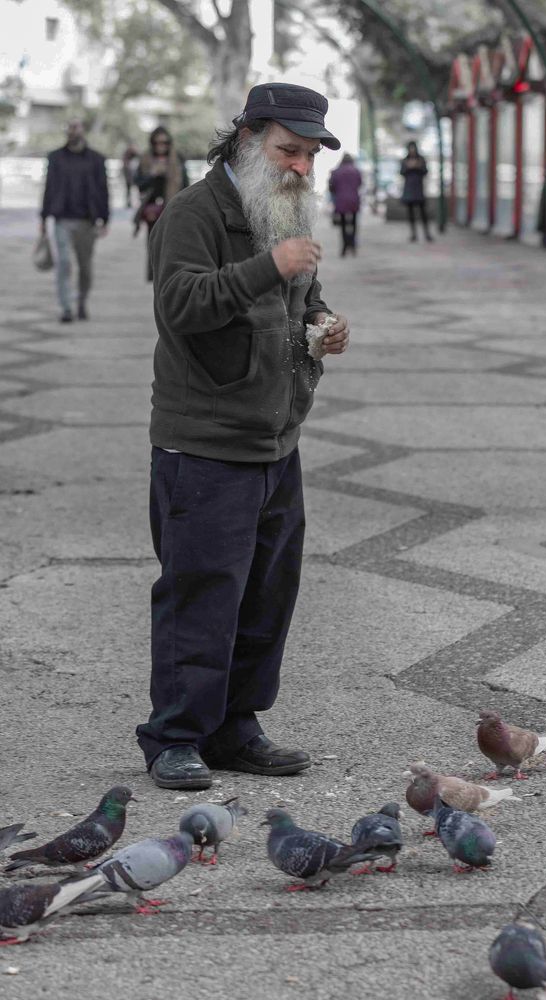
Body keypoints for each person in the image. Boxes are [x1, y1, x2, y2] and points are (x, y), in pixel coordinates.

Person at [135, 82, 350, 791]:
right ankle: (175, 736)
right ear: (250, 138)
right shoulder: (191, 213)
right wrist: (271, 267)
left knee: (265, 596)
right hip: (204, 443)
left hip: (274, 438)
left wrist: (323, 325)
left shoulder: (283, 208)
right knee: (202, 594)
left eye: (310, 156)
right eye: (290, 151)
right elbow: (181, 305)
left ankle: (236, 727)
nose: (300, 168)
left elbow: (301, 297)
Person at [40, 118, 109, 322]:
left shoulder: (96, 159)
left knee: (85, 267)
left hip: (86, 221)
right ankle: (66, 308)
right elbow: (48, 187)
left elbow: (103, 190)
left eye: (76, 127)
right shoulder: (56, 157)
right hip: (61, 218)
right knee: (63, 262)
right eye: (69, 127)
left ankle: (81, 301)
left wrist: (104, 219)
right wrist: (43, 218)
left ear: (83, 131)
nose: (73, 131)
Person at [133, 126, 189, 280]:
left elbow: (186, 185)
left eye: (164, 143)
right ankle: (156, 277)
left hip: (173, 208)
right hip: (152, 210)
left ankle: (172, 276)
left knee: (173, 246)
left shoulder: (177, 158)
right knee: (154, 245)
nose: (161, 146)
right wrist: (152, 174)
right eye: (157, 143)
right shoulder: (145, 158)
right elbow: (138, 183)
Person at [328, 153, 362, 256]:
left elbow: (332, 186)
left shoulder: (336, 172)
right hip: (353, 200)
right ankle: (352, 244)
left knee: (342, 225)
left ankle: (344, 246)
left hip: (341, 200)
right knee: (354, 223)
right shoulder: (356, 171)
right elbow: (360, 183)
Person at [400, 140, 433, 242]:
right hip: (409, 190)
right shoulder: (405, 160)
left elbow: (425, 171)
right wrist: (409, 167)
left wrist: (418, 166)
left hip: (419, 190)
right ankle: (414, 234)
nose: (412, 150)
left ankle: (427, 233)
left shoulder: (421, 159)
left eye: (413, 148)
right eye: (410, 148)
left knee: (423, 213)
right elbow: (402, 172)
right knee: (411, 214)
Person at [122, 142, 140, 208]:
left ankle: (137, 202)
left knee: (138, 189)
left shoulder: (137, 154)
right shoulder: (127, 154)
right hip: (128, 176)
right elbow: (125, 165)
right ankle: (129, 202)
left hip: (135, 175)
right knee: (128, 190)